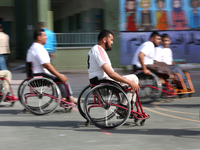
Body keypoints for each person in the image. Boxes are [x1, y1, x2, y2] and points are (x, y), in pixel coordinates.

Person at [87, 30, 139, 108]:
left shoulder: (94, 49)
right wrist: (129, 82)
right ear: (105, 40)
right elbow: (110, 73)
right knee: (134, 79)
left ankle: (128, 105)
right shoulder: (99, 50)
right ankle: (125, 106)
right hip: (104, 83)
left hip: (97, 82)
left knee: (131, 80)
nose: (112, 42)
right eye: (111, 40)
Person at [26, 29, 77, 103]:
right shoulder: (38, 49)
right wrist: (59, 76)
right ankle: (66, 98)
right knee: (61, 78)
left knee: (60, 77)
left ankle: (68, 97)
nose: (46, 37)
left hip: (34, 75)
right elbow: (46, 65)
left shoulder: (33, 48)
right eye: (44, 35)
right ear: (39, 37)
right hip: (39, 76)